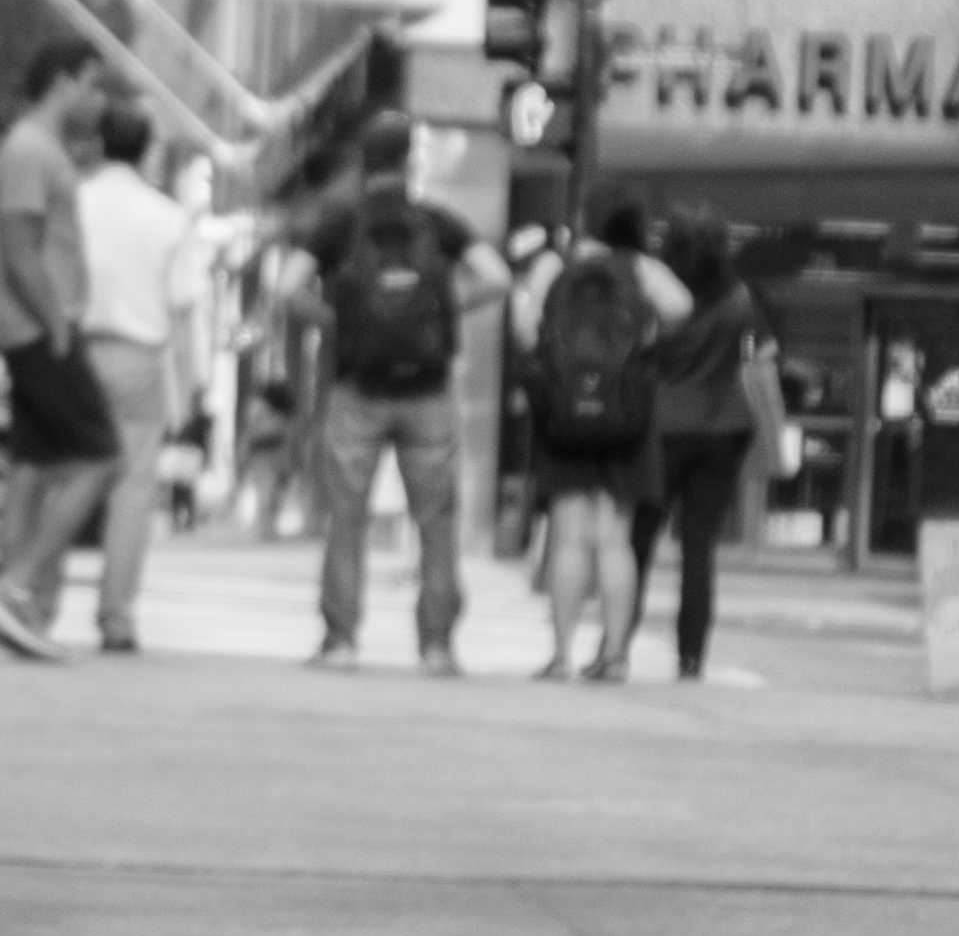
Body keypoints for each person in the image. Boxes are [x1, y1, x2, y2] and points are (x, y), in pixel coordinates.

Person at [291, 131, 481, 671]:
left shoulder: (339, 225)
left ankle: (341, 641)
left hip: (358, 389)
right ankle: (438, 646)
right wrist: (445, 314)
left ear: (362, 165)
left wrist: (338, 321)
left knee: (346, 518)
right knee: (437, 520)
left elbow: (288, 288)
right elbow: (494, 276)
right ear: (408, 162)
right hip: (428, 392)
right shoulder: (437, 224)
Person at [0, 48, 126, 661]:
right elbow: (20, 247)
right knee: (101, 457)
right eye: (92, 86)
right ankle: (19, 588)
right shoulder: (30, 150)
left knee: (34, 467)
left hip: (32, 328)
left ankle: (21, 610)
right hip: (40, 330)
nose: (99, 101)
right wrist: (57, 324)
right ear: (61, 82)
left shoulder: (38, 149)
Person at [510, 196, 693, 680]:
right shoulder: (640, 269)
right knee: (615, 541)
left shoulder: (557, 264)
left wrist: (555, 367)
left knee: (569, 539)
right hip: (624, 415)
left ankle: (561, 654)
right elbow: (681, 307)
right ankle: (613, 655)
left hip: (566, 417)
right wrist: (641, 350)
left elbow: (524, 326)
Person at [617, 213, 795, 683]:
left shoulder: (663, 298)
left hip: (663, 426)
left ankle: (618, 642)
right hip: (723, 425)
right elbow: (766, 353)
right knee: (699, 547)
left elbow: (637, 349)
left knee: (639, 541)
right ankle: (690, 656)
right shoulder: (739, 297)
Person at [69, 120, 205, 650]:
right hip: (138, 356)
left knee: (67, 473)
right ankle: (116, 616)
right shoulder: (168, 217)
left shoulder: (75, 202)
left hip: (75, 351)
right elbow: (183, 307)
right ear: (148, 150)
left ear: (99, 144)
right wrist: (190, 388)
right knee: (132, 488)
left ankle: (34, 599)